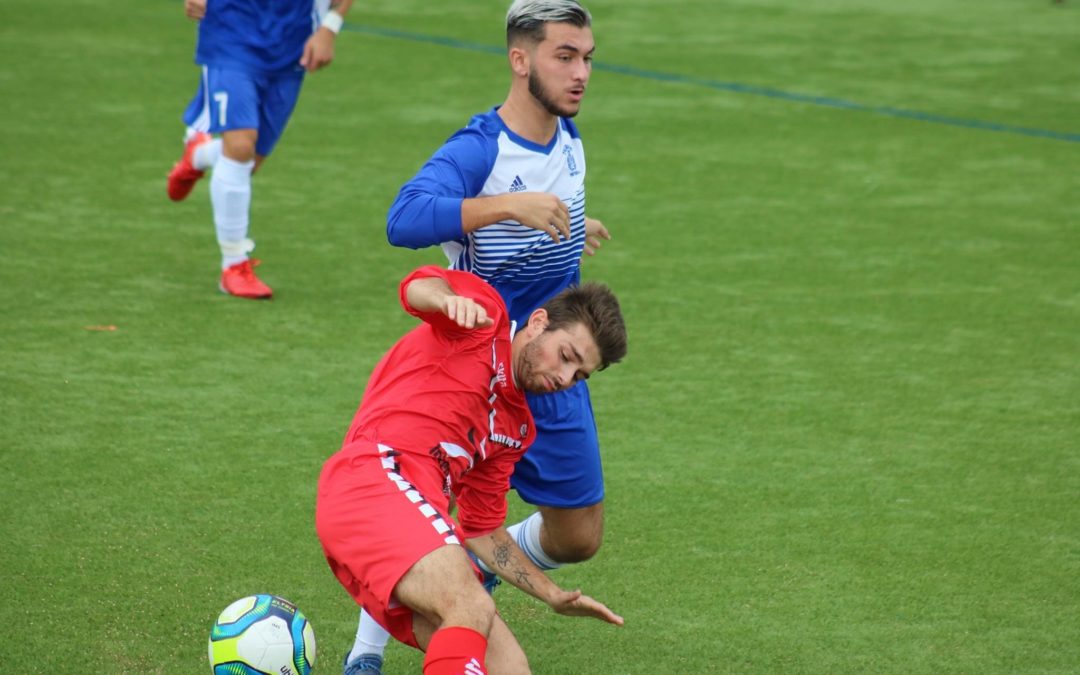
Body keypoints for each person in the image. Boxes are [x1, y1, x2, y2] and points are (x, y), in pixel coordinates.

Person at [346, 1, 610, 672]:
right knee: (424, 507)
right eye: (565, 56)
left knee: (579, 534)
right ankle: (367, 646)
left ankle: (469, 566)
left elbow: (544, 210)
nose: (581, 73)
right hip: (481, 368)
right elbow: (403, 218)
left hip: (555, 367)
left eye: (587, 58)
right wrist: (506, 205)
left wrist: (575, 226)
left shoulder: (570, 139)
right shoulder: (479, 149)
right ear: (520, 60)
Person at [316, 264, 627, 675]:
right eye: (566, 356)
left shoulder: (515, 430)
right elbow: (416, 288)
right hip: (373, 478)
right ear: (538, 323)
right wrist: (446, 300)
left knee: (511, 668)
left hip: (399, 520)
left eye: (579, 375)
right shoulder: (485, 322)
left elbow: (482, 531)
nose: (564, 378)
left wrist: (551, 593)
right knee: (470, 604)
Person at [165, 0, 354, 299]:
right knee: (239, 148)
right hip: (229, 35)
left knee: (247, 163)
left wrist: (329, 28)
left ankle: (199, 155)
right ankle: (234, 265)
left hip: (291, 44)